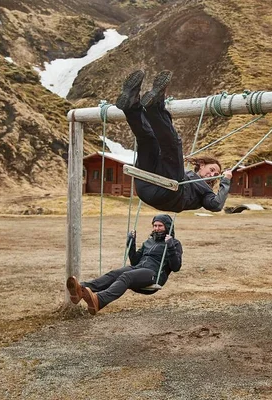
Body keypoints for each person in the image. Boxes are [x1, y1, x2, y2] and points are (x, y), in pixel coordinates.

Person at [115, 69, 233, 213]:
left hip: (166, 193)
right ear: (201, 165)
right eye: (213, 170)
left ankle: (155, 106)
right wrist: (173, 162)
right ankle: (131, 105)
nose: (214, 174)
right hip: (146, 183)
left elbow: (216, 205)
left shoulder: (206, 192)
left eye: (216, 174)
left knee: (173, 145)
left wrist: (225, 180)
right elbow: (169, 164)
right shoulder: (184, 173)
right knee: (148, 140)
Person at [67, 214, 183, 315]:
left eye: (160, 226)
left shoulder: (174, 243)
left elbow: (176, 267)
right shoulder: (149, 242)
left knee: (126, 276)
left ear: (167, 227)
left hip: (154, 275)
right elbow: (135, 261)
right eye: (155, 225)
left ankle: (99, 300)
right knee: (114, 274)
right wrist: (131, 243)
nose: (156, 228)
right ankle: (80, 289)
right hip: (139, 268)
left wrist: (171, 247)